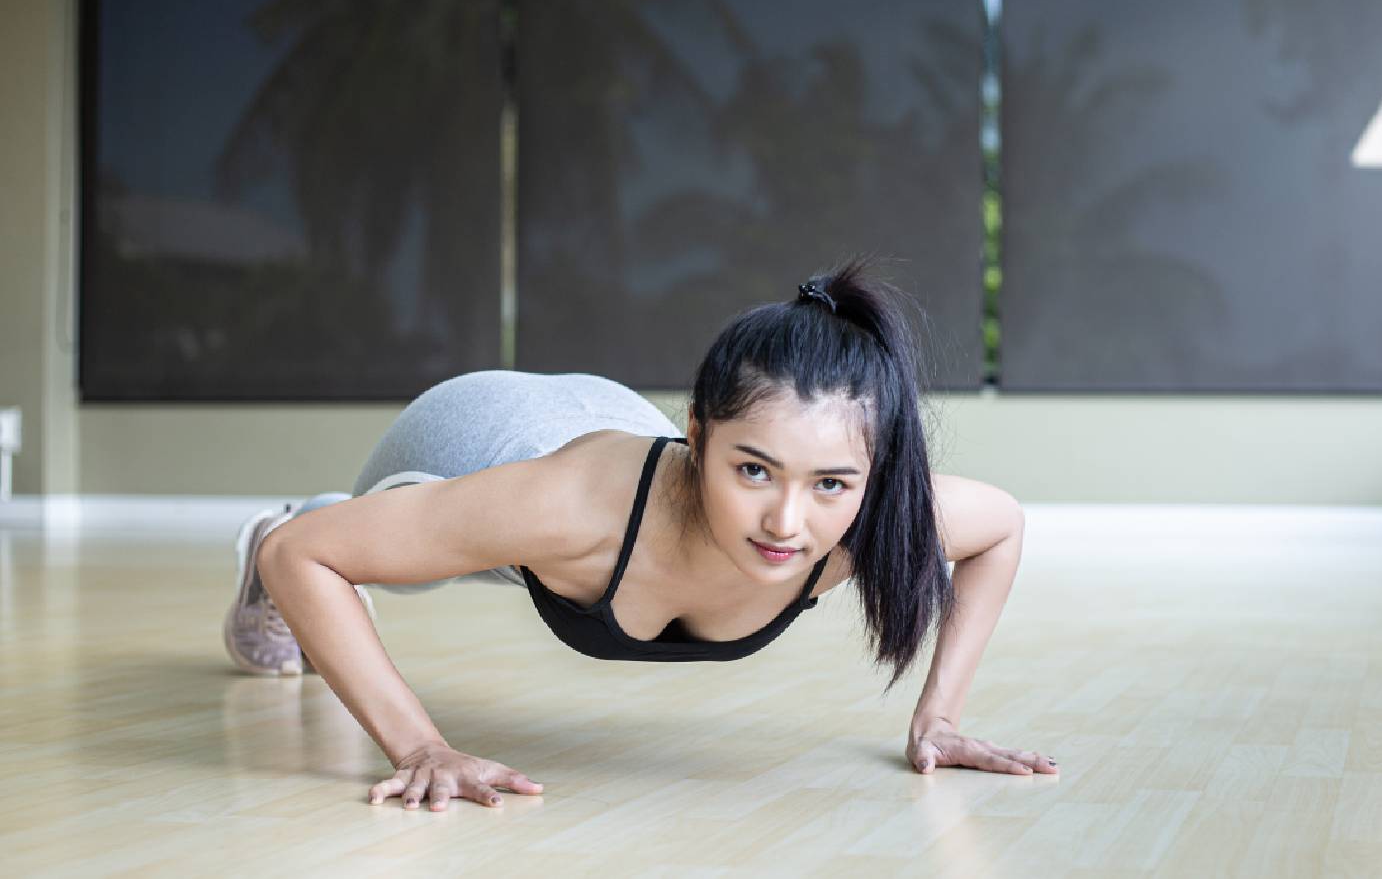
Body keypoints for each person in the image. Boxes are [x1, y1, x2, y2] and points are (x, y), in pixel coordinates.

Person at [223, 256, 1058, 812]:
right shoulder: (562, 507)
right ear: (698, 436)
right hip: (486, 432)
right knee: (391, 569)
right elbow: (301, 563)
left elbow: (1001, 527)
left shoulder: (869, 517)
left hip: (612, 420)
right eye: (755, 471)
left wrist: (938, 719)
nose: (787, 523)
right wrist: (421, 746)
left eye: (831, 484)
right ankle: (318, 504)